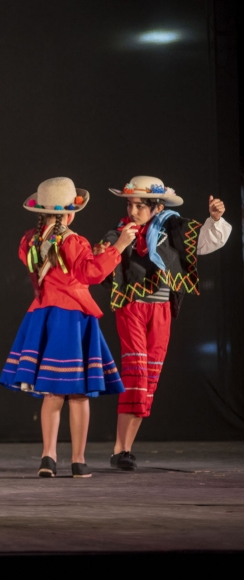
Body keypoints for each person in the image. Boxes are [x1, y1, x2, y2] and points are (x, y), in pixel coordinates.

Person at [0, 178, 135, 477]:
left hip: (44, 315)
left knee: (51, 392)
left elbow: (58, 267)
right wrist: (119, 246)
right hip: (72, 317)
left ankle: (47, 458)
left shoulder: (29, 241)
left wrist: (91, 254)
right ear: (70, 214)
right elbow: (91, 274)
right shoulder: (74, 241)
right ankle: (78, 461)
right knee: (78, 393)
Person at [94, 176, 231, 470]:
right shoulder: (119, 233)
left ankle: (124, 450)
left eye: (139, 206)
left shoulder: (172, 228)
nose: (132, 211)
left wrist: (215, 220)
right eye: (130, 205)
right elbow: (100, 266)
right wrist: (113, 247)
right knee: (136, 373)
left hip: (161, 310)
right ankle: (120, 448)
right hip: (132, 307)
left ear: (157, 207)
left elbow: (204, 242)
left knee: (149, 379)